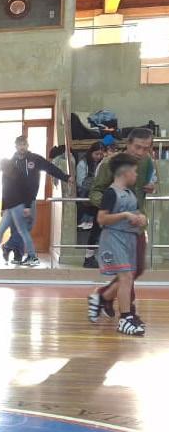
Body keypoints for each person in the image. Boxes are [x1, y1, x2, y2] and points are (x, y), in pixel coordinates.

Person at [88, 127, 159, 324]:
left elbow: (150, 184)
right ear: (128, 144)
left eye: (146, 148)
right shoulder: (110, 163)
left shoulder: (147, 162)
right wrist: (114, 206)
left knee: (137, 269)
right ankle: (127, 313)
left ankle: (103, 296)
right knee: (128, 272)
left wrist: (151, 188)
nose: (141, 152)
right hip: (117, 227)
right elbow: (95, 192)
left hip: (137, 224)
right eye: (137, 147)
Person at [88, 153, 147, 336]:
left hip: (129, 238)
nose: (136, 175)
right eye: (135, 171)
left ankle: (103, 299)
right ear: (126, 172)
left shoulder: (129, 193)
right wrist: (124, 215)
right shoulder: (111, 193)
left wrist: (141, 218)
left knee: (127, 277)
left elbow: (135, 213)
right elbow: (101, 218)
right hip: (114, 238)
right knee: (126, 277)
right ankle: (125, 318)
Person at [0, 135, 70, 264]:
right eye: (19, 145)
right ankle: (17, 256)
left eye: (24, 144)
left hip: (30, 199)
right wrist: (3, 207)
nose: (22, 147)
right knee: (15, 228)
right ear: (15, 146)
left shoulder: (35, 159)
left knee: (27, 226)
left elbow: (50, 168)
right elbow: (5, 186)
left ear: (27, 145)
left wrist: (65, 177)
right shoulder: (10, 163)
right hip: (14, 201)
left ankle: (8, 245)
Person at [0, 157, 39, 266]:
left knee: (23, 231)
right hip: (9, 208)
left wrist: (27, 207)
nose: (2, 170)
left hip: (18, 206)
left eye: (3, 168)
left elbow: (28, 191)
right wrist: (3, 208)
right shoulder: (5, 175)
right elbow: (4, 192)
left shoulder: (19, 174)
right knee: (0, 230)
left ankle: (33, 256)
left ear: (7, 166)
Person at [77, 141, 105, 268]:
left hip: (99, 199)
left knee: (98, 227)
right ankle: (89, 256)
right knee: (97, 227)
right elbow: (81, 183)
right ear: (91, 153)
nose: (98, 157)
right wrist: (97, 183)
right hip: (87, 199)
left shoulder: (103, 164)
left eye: (101, 154)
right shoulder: (83, 164)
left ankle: (91, 256)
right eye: (96, 154)